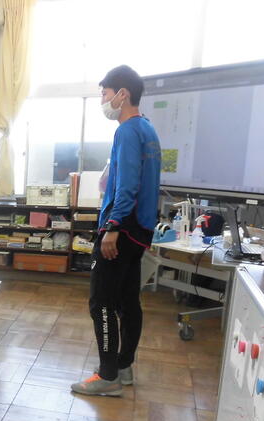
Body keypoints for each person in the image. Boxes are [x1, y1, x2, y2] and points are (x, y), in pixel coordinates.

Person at [71, 65, 161, 397]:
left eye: (105, 93)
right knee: (127, 301)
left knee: (102, 303)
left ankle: (108, 376)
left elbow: (127, 185)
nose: (103, 100)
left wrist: (112, 227)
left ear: (122, 94)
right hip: (140, 230)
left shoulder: (127, 131)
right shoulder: (148, 129)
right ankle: (123, 367)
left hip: (121, 230)